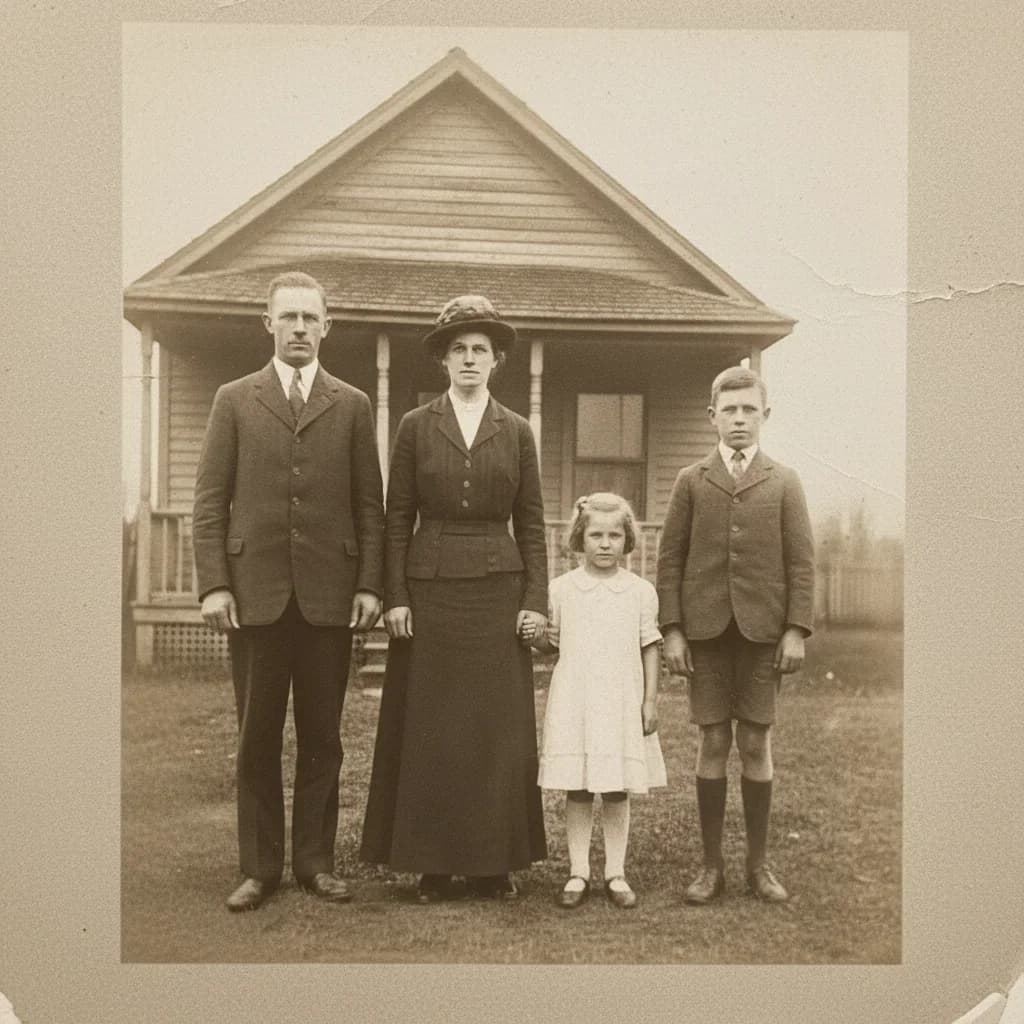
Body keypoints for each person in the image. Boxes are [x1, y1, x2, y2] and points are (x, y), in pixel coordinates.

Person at [193, 270, 385, 912]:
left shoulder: (353, 403)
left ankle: (315, 861)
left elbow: (370, 505)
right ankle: (259, 867)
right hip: (255, 597)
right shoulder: (234, 399)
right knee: (257, 736)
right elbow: (210, 502)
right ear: (267, 323)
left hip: (331, 599)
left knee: (323, 737)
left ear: (327, 326)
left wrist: (368, 585)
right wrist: (215, 585)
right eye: (289, 317)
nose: (299, 328)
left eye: (311, 318)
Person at [359, 294, 548, 902]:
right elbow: (396, 519)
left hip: (498, 593)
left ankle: (494, 864)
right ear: (443, 360)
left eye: (481, 350)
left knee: (495, 730)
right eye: (459, 349)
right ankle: (432, 864)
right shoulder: (416, 427)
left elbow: (534, 522)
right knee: (432, 728)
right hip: (430, 592)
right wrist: (395, 596)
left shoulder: (517, 431)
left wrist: (534, 601)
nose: (470, 359)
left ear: (496, 361)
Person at [656, 365, 814, 905]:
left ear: (764, 415)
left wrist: (795, 630)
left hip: (763, 634)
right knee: (713, 740)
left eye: (749, 410)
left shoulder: (785, 480)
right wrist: (673, 631)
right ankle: (709, 867)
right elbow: (670, 560)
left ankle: (758, 865)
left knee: (755, 742)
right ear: (712, 417)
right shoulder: (690, 480)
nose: (739, 419)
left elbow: (802, 562)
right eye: (730, 410)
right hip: (704, 634)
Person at [523, 492, 666, 910]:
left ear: (628, 541)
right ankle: (578, 871)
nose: (605, 544)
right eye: (596, 535)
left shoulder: (639, 591)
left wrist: (650, 700)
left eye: (614, 535)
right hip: (577, 698)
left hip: (621, 698)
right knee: (580, 786)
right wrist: (537, 638)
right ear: (579, 539)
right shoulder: (562, 589)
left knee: (617, 787)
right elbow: (553, 644)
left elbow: (650, 645)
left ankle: (616, 873)